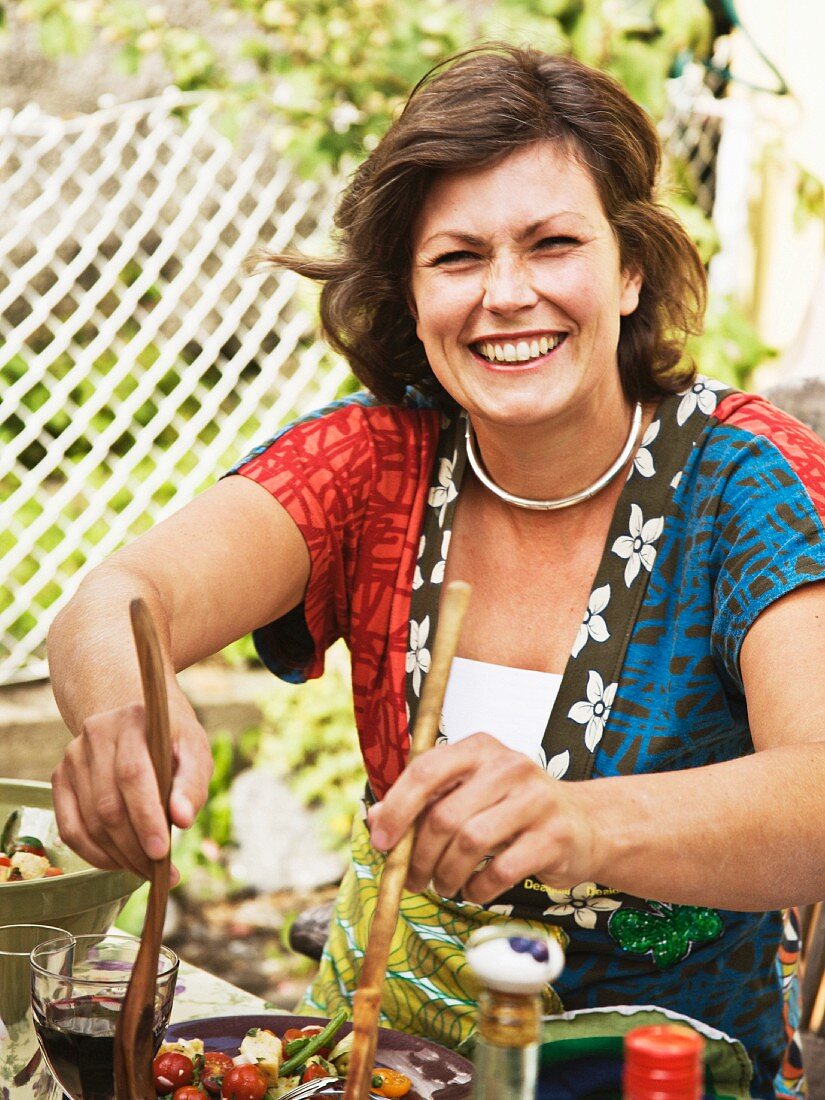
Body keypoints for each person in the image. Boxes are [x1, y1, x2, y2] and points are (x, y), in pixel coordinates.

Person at [47, 43, 825, 1099]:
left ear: (631, 267)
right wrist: (125, 709)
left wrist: (580, 819)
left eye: (554, 243)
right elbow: (118, 598)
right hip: (385, 1063)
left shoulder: (745, 483)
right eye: (457, 257)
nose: (508, 293)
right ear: (410, 295)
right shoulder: (375, 465)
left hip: (659, 1075)